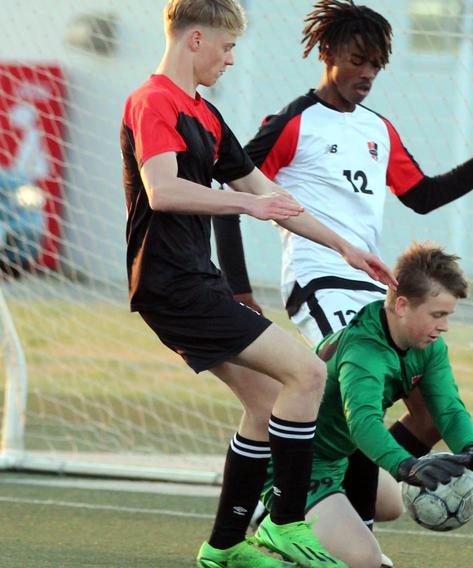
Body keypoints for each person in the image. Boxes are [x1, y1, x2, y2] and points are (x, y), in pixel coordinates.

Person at [218, 1, 473, 551]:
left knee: (426, 409)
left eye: (377, 64)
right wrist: (239, 288)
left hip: (373, 285)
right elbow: (231, 193)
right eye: (358, 60)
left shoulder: (379, 129)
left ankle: (304, 491)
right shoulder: (292, 123)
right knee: (363, 398)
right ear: (327, 53)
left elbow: (422, 196)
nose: (368, 74)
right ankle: (349, 533)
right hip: (318, 280)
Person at [120, 1, 396, 566]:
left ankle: (222, 550)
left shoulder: (205, 113)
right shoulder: (153, 102)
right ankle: (287, 522)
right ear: (195, 39)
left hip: (197, 280)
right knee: (309, 372)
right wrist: (249, 204)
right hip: (171, 283)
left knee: (268, 399)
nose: (230, 59)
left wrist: (344, 246)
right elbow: (163, 192)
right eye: (227, 47)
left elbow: (269, 193)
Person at [259, 242, 473, 568]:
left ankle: (317, 524)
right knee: (366, 561)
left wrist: (472, 450)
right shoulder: (364, 353)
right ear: (402, 305)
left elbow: (448, 407)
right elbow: (363, 425)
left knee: (391, 505)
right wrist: (407, 466)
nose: (444, 326)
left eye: (447, 315)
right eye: (437, 315)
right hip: (295, 468)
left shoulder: (426, 345)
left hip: (336, 459)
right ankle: (273, 521)